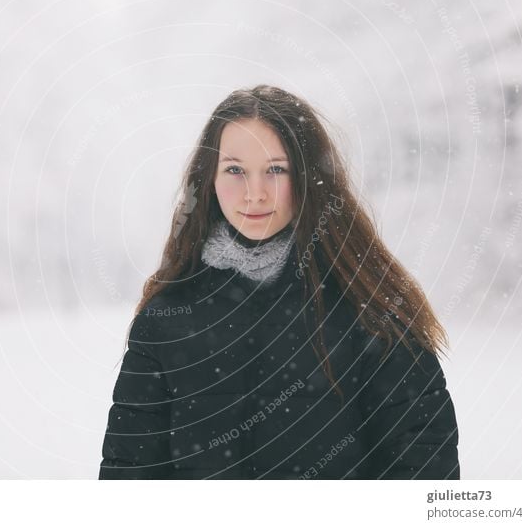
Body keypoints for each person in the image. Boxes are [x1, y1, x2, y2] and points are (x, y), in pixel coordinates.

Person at [98, 84, 460, 479]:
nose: (255, 194)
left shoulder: (369, 307)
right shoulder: (166, 318)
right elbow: (129, 478)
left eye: (276, 169)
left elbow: (424, 470)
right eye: (235, 170)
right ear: (209, 180)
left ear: (308, 178)